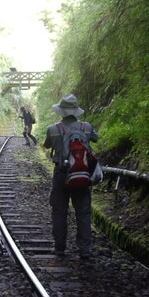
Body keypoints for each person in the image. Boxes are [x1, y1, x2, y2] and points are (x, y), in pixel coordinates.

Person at [43, 93, 99, 259]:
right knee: (83, 212)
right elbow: (95, 138)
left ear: (61, 111)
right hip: (82, 174)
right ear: (76, 111)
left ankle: (60, 247)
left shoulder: (53, 130)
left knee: (59, 211)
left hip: (61, 174)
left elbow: (47, 145)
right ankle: (85, 250)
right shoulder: (86, 127)